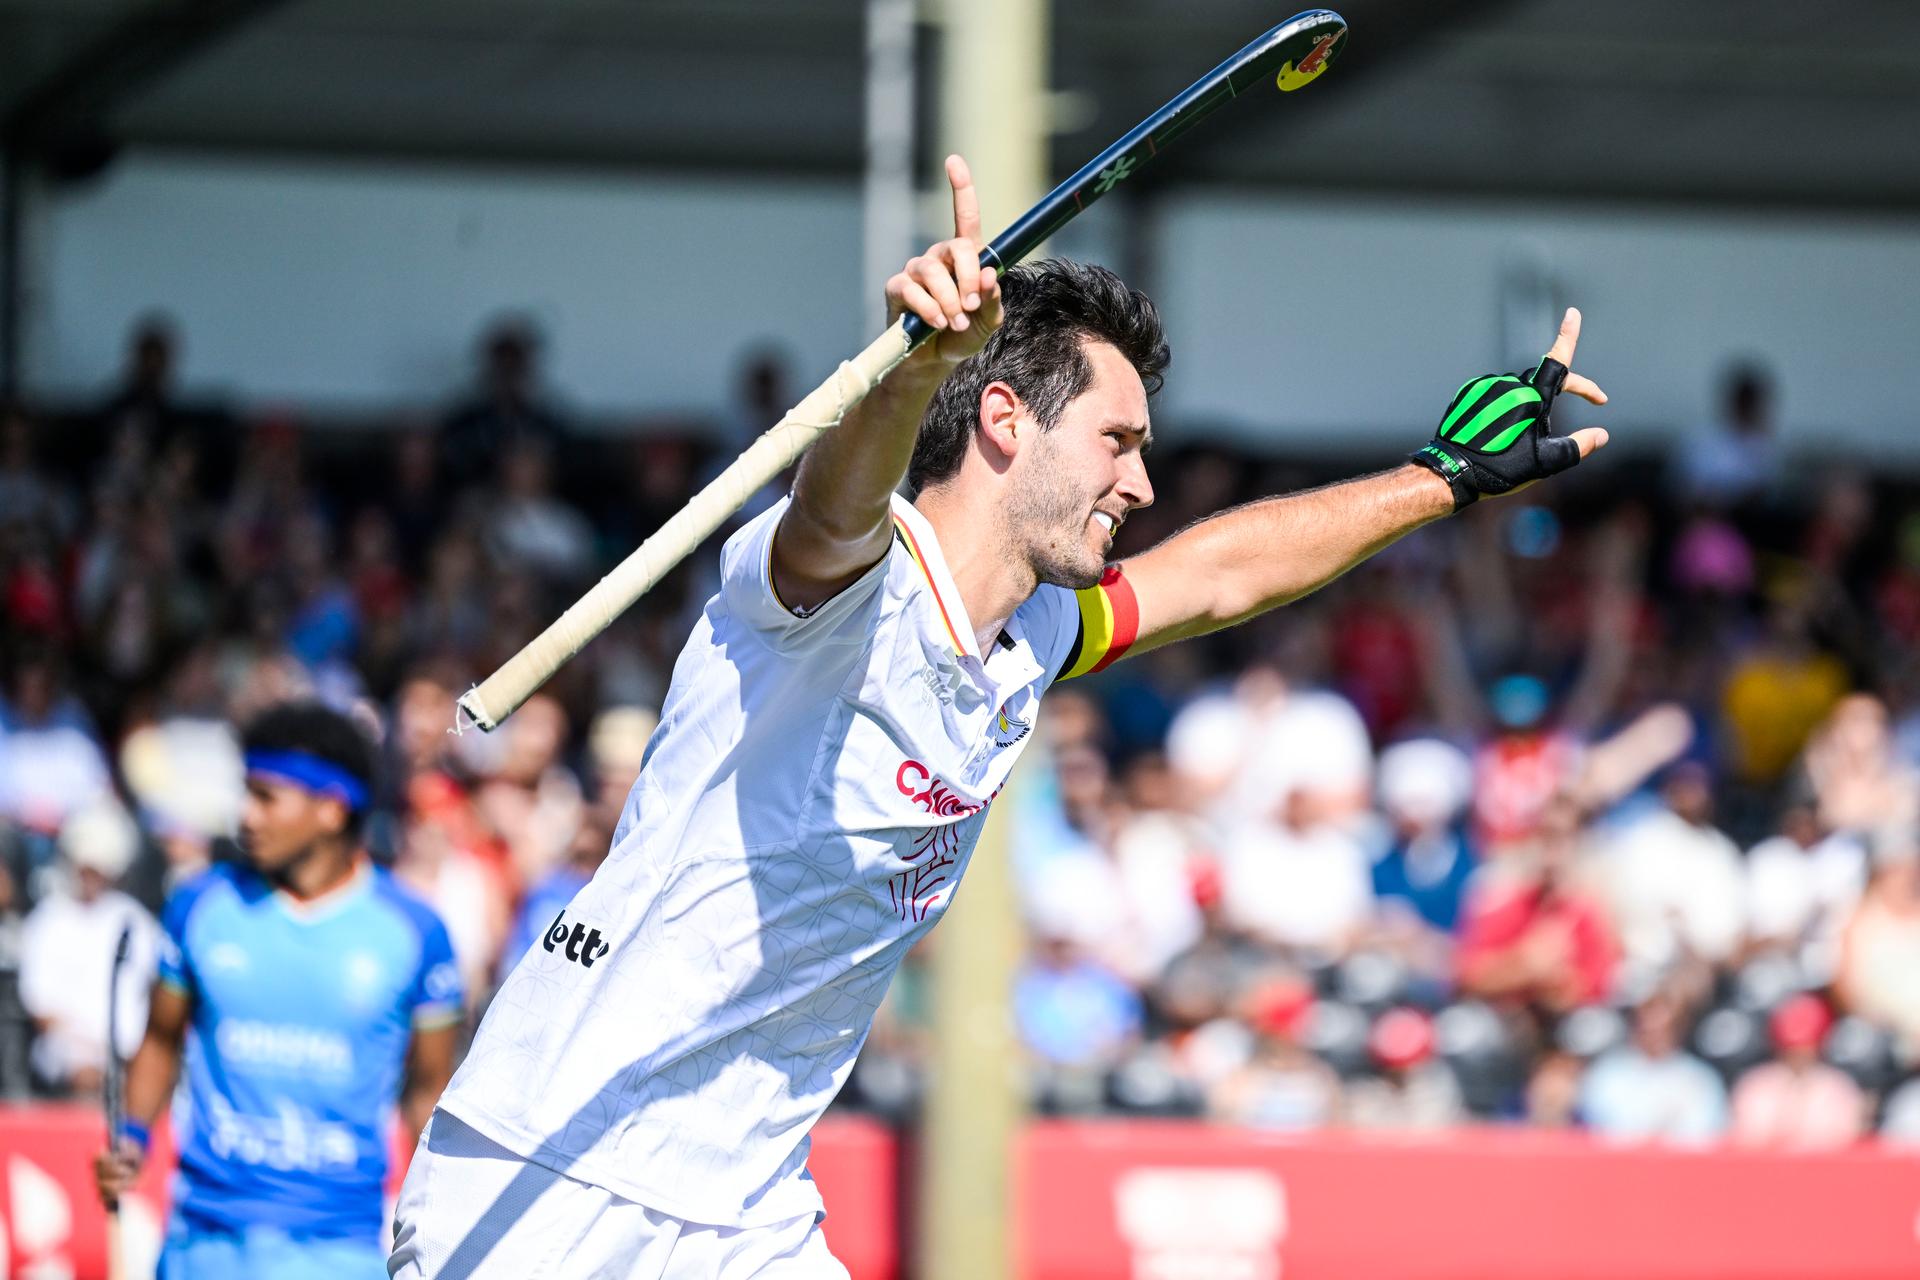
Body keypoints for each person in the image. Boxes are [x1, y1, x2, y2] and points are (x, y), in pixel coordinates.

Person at [392, 155, 1611, 1277]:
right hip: (552, 1174)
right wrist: (911, 362)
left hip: (745, 1210)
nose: (1139, 483)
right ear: (1003, 419)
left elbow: (1220, 575)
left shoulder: (1031, 631)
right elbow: (833, 506)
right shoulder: (836, 581)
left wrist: (1436, 478)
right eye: (1118, 442)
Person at [95, 701, 463, 1280]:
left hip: (339, 1252)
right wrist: (134, 1139)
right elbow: (160, 1042)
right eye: (246, 792)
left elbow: (427, 1095)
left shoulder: (416, 933)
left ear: (331, 809)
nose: (245, 815)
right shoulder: (199, 906)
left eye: (266, 797)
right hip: (202, 1245)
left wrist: (450, 1222)